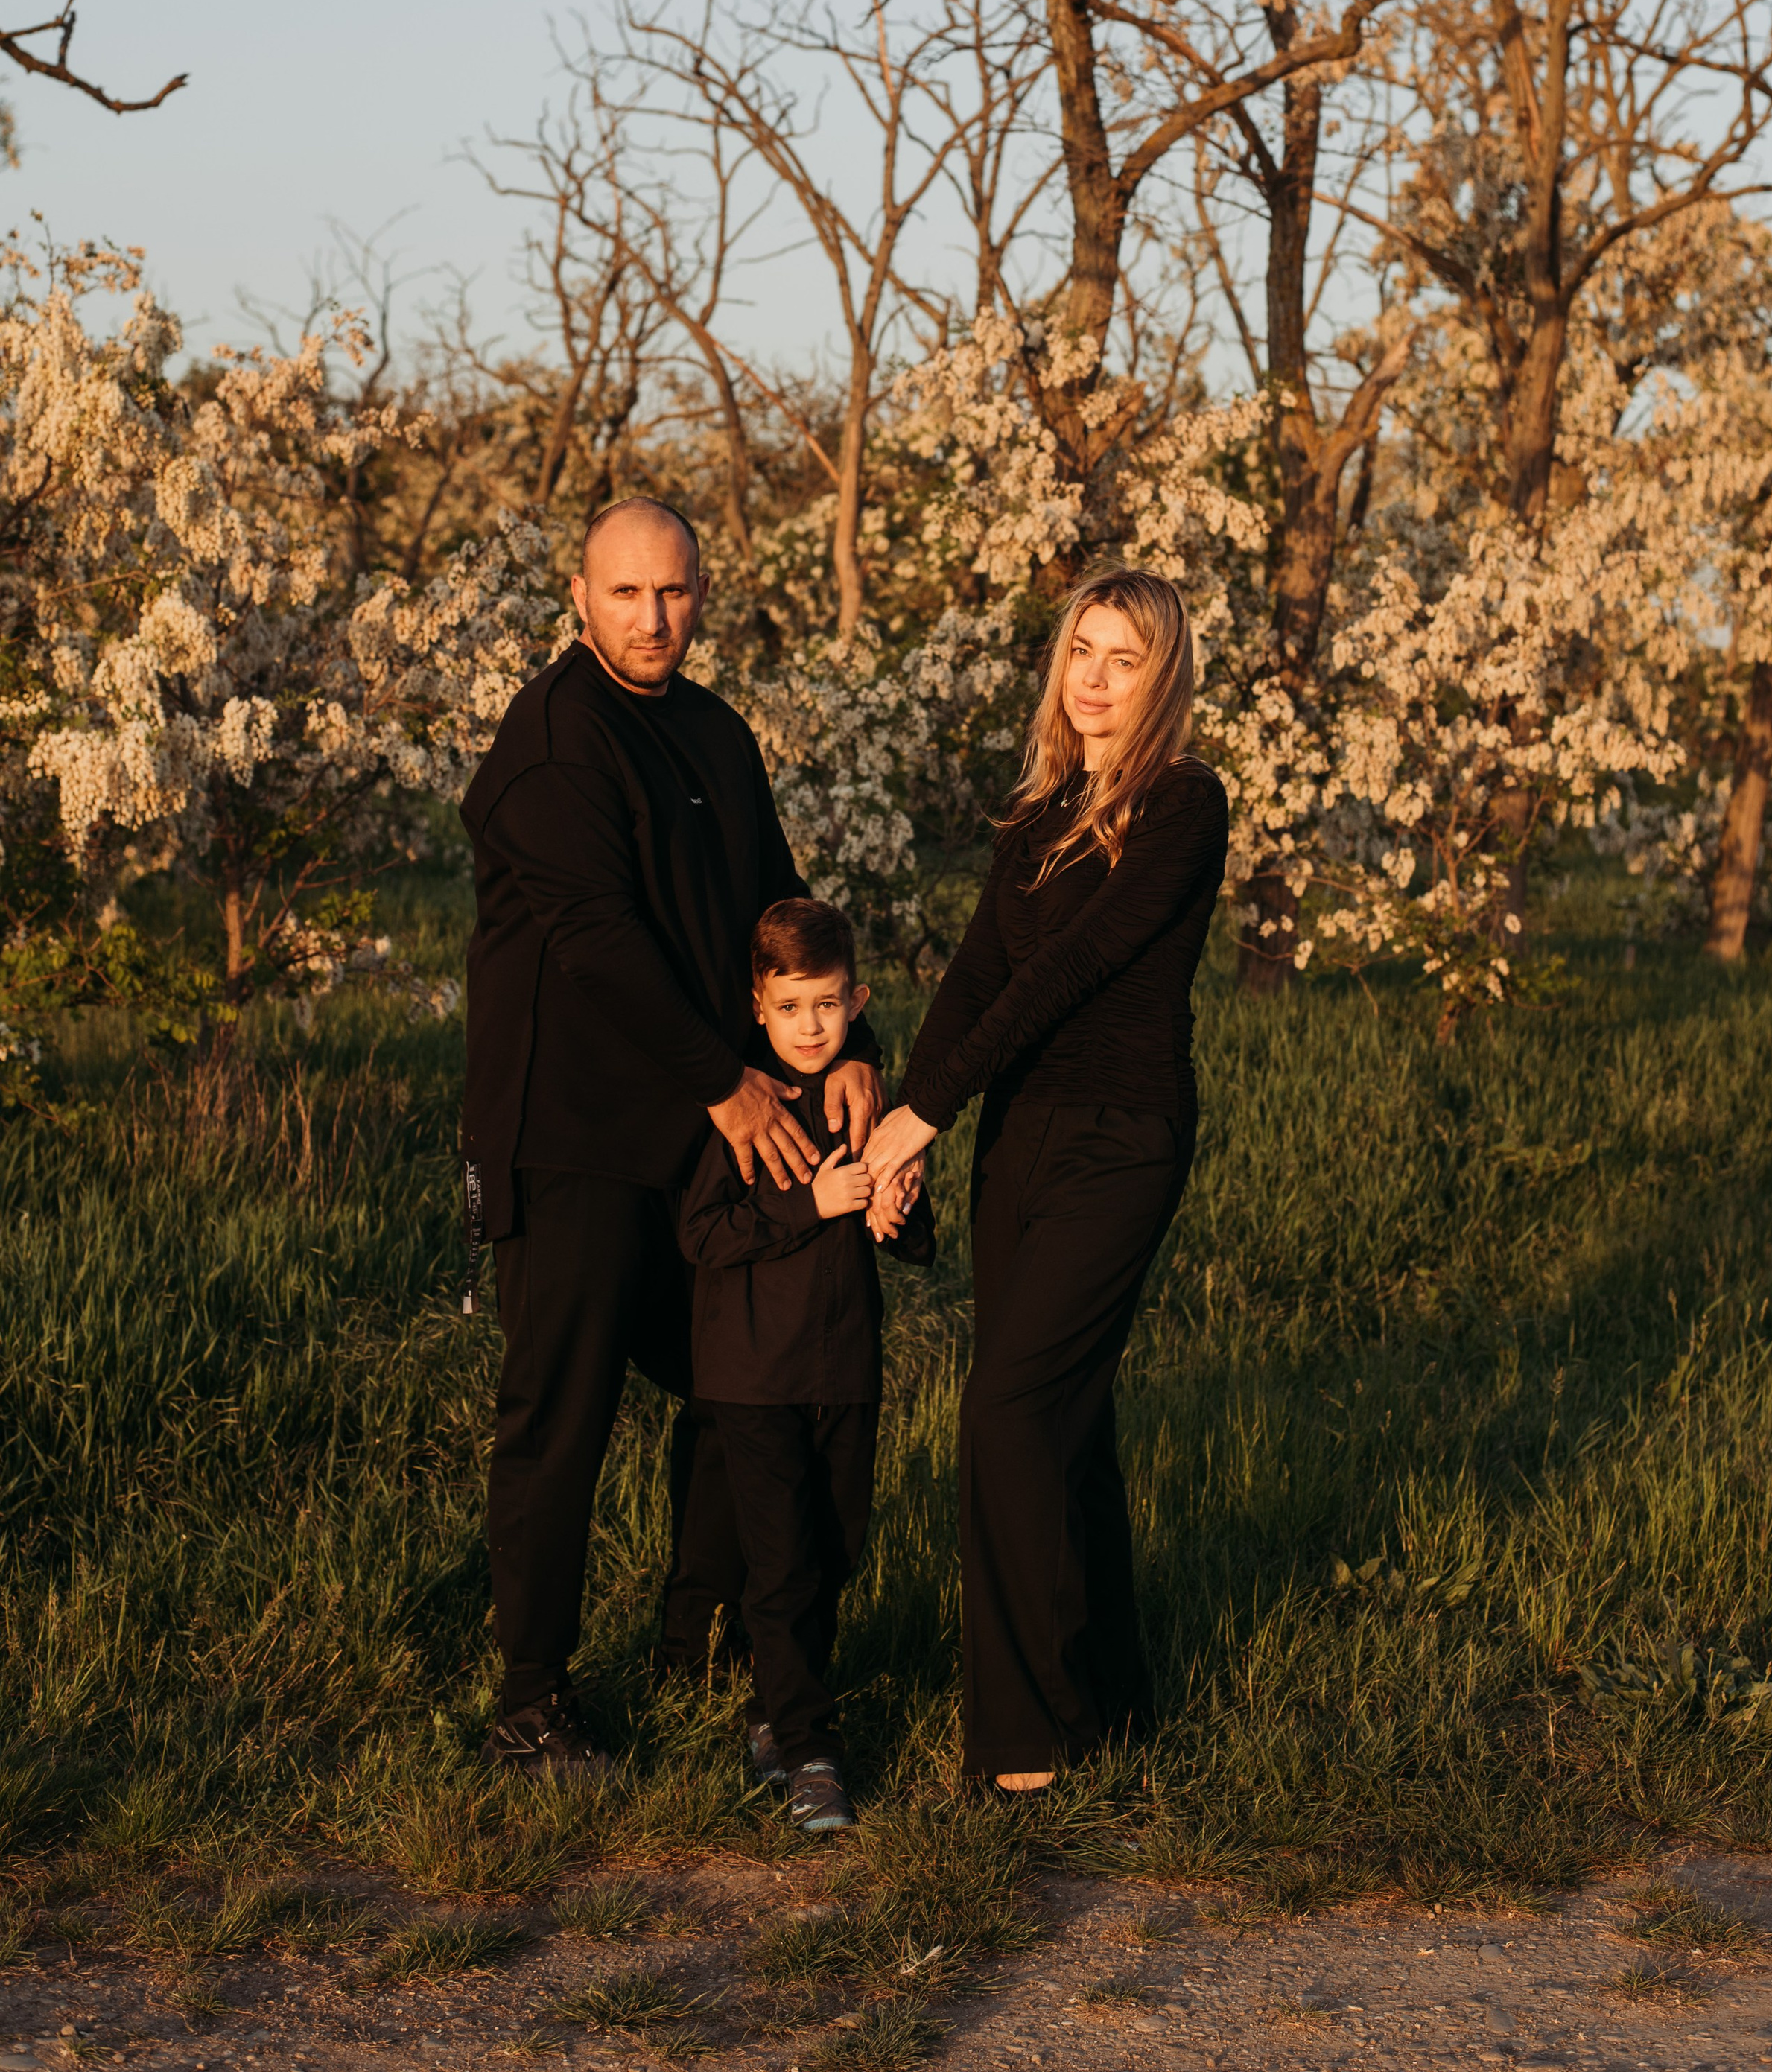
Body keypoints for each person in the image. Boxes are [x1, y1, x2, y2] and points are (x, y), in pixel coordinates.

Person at [460, 497, 883, 1772]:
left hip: (702, 1135)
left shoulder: (713, 732)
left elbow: (782, 915)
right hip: (575, 1134)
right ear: (579, 598)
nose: (655, 619)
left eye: (678, 593)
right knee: (564, 1410)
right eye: (629, 594)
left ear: (704, 595)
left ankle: (705, 1649)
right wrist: (732, 1085)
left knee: (735, 1381)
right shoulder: (551, 739)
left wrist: (854, 1049)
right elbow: (597, 943)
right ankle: (530, 1701)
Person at [862, 567, 1228, 1792]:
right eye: (1084, 651)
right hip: (1019, 1139)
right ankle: (1114, 1710)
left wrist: (926, 1110)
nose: (1097, 678)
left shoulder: (1184, 804)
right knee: (1064, 1430)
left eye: (1126, 659)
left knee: (1008, 1418)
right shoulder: (1034, 817)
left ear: (1162, 676)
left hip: (1120, 1141)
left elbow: (1078, 966)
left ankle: (1026, 1749)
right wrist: (896, 1136)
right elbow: (975, 977)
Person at [679, 897, 933, 1834]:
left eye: (828, 1004)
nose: (812, 1026)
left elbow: (915, 1243)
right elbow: (701, 1234)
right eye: (792, 1008)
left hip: (845, 1369)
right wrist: (813, 1203)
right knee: (782, 1566)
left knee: (835, 1552)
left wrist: (897, 1206)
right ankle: (810, 1750)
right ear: (759, 1006)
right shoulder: (745, 1107)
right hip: (753, 1377)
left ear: (856, 997)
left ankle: (771, 1711)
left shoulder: (865, 1100)